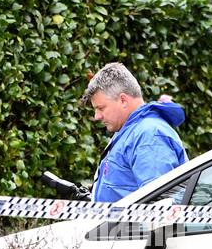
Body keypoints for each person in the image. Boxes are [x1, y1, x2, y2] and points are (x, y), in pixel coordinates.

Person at [80, 62, 187, 202]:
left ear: (123, 100)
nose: (97, 116)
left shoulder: (149, 137)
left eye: (101, 108)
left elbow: (159, 209)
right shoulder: (129, 131)